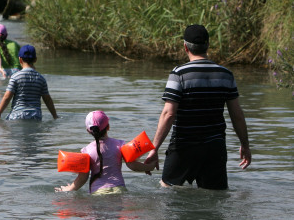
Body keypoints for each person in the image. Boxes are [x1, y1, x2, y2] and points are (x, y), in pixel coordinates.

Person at [145, 24, 252, 189]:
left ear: (185, 47)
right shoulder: (225, 74)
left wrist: (154, 148)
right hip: (215, 148)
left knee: (167, 189)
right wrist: (245, 144)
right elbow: (236, 114)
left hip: (184, 146)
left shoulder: (179, 74)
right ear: (208, 45)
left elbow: (168, 114)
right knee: (215, 197)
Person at [55, 110, 156, 194]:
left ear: (88, 131)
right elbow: (132, 165)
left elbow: (82, 178)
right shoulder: (119, 145)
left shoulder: (86, 151)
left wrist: (69, 189)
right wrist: (150, 167)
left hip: (98, 193)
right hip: (119, 190)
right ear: (108, 127)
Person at [0, 45, 58, 121]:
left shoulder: (15, 77)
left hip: (18, 115)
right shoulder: (41, 78)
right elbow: (47, 99)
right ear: (35, 60)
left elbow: (7, 97)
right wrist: (55, 115)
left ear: (20, 60)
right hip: (35, 116)